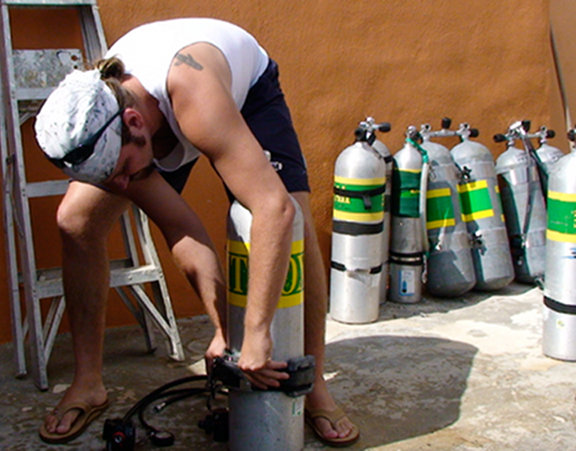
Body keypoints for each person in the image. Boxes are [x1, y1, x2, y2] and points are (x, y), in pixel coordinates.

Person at [34, 17, 359, 446]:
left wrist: (257, 332)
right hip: (160, 119)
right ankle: (88, 383)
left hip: (243, 95)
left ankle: (314, 384)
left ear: (134, 123)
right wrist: (227, 332)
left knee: (292, 216)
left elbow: (273, 211)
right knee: (76, 219)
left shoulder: (195, 98)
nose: (122, 189)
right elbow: (181, 229)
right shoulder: (96, 108)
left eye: (123, 173)